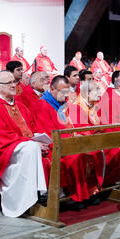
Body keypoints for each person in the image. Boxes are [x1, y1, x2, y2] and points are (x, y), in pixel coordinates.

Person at [0, 71, 48, 217]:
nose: (14, 85)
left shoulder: (19, 105)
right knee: (31, 148)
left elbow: (30, 128)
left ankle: (44, 193)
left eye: (14, 81)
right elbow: (0, 138)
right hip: (3, 153)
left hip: (20, 147)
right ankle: (29, 198)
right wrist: (32, 142)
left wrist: (37, 139)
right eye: (9, 83)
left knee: (44, 147)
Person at [32, 76, 98, 205]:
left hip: (70, 143)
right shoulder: (42, 106)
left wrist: (82, 135)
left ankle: (89, 192)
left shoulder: (66, 105)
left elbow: (81, 125)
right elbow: (49, 133)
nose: (65, 95)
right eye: (62, 91)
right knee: (75, 157)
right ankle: (74, 195)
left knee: (93, 152)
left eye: (67, 92)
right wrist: (73, 138)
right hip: (53, 147)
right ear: (52, 88)